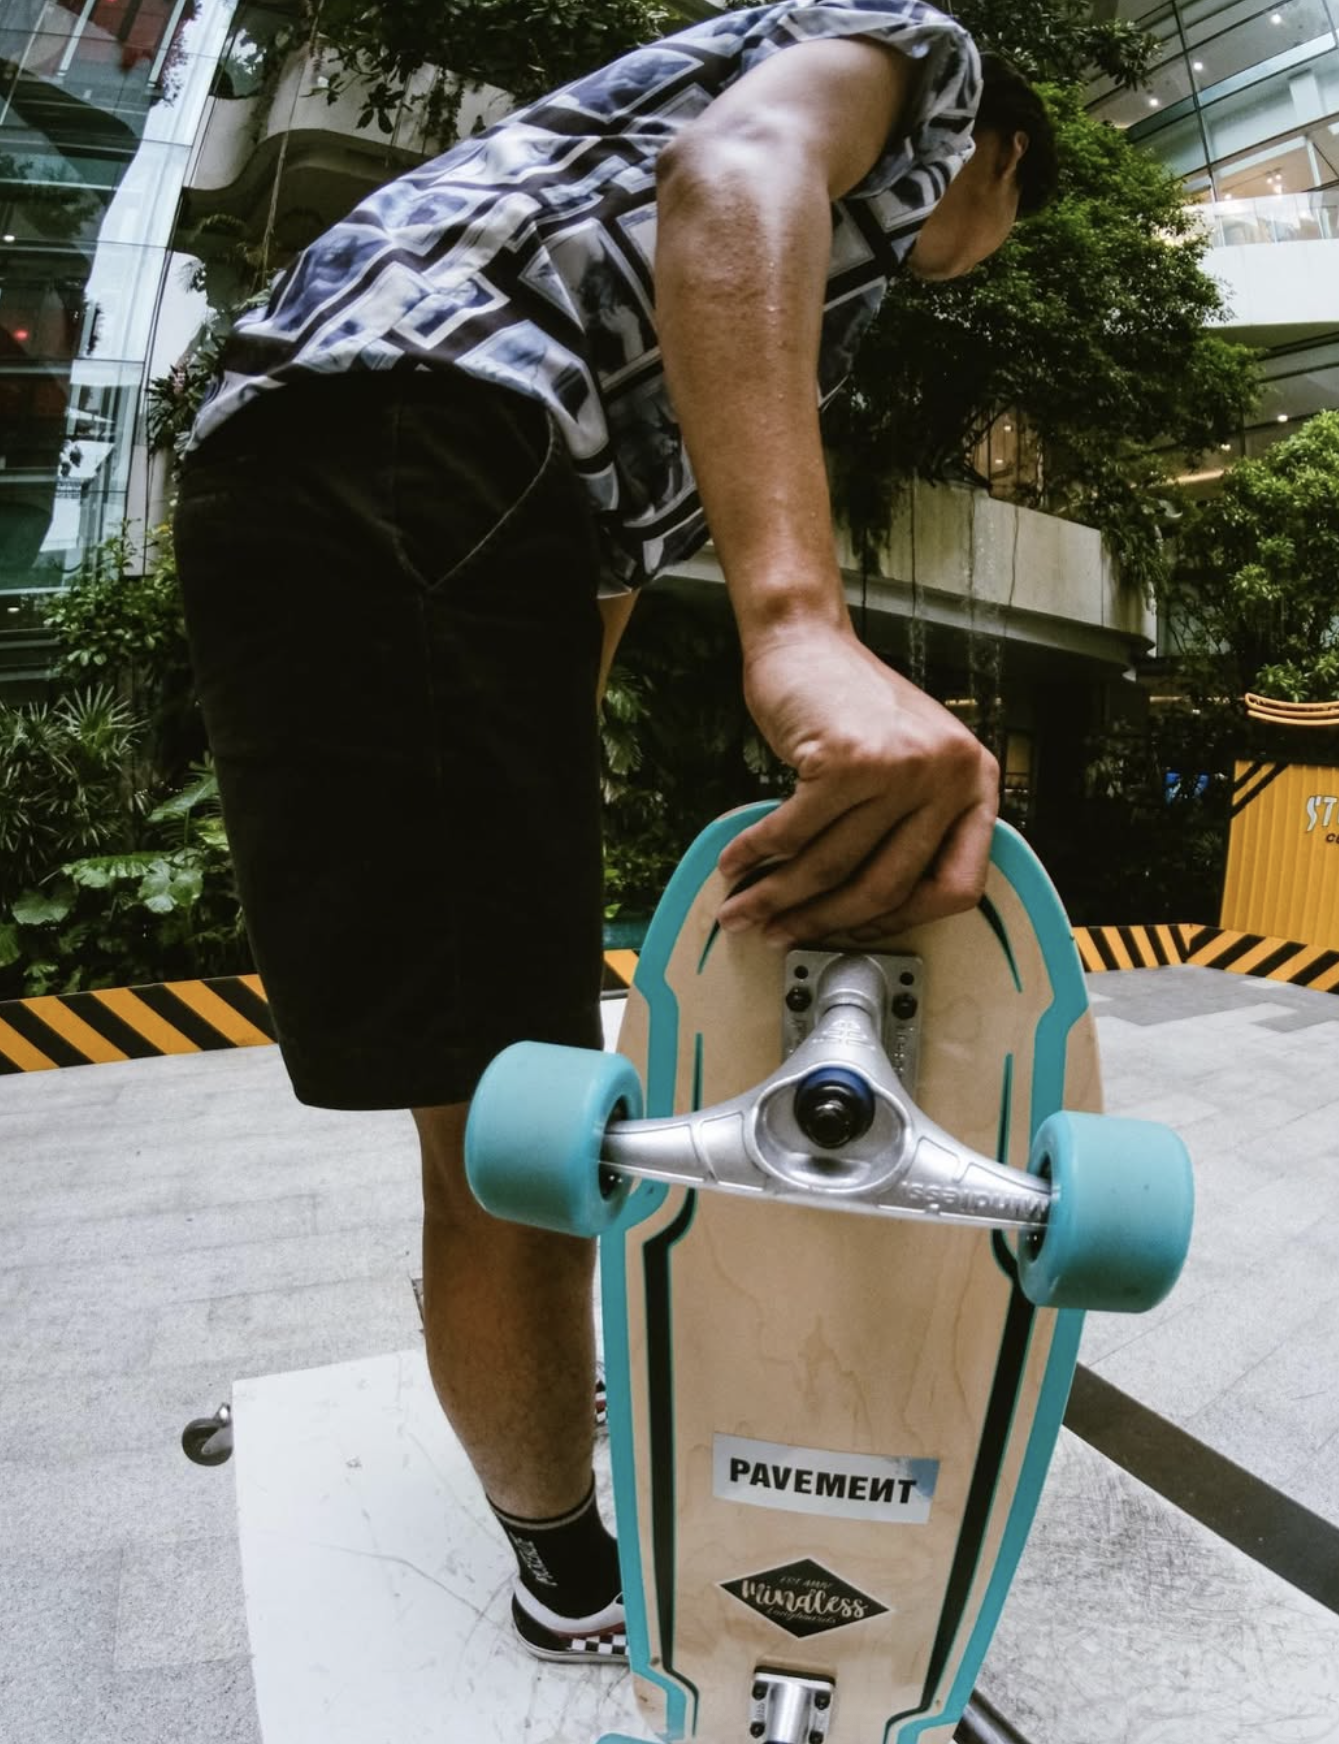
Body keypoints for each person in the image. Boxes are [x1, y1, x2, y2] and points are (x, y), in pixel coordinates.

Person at [172, 0, 1058, 1665]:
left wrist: (527, 789)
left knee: (492, 1096)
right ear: (1000, 159)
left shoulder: (679, 303)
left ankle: (544, 1455)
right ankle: (569, 1577)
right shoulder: (914, 61)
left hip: (332, 478)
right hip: (421, 446)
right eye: (1001, 226)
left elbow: (600, 569)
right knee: (501, 1131)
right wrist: (796, 622)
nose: (970, 252)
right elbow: (734, 168)